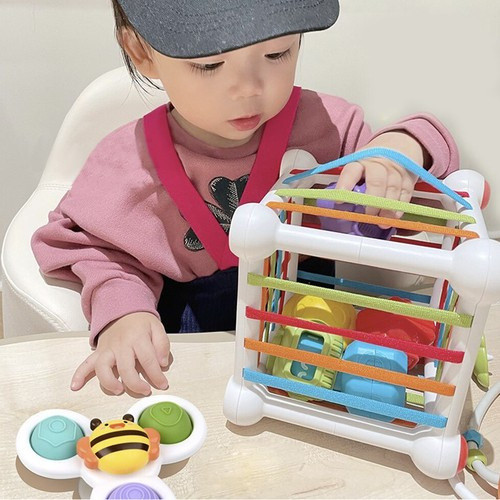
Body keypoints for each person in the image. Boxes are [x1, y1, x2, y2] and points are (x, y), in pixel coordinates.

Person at [32, 0, 459, 397]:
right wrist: (123, 310)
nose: (248, 88)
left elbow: (423, 160)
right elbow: (94, 248)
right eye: (210, 64)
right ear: (141, 51)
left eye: (276, 54)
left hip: (313, 341)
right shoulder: (126, 164)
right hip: (189, 356)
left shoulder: (327, 127)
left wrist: (399, 150)